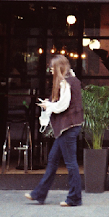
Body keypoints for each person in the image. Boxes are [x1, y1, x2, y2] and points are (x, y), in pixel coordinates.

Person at [25, 54, 83, 206]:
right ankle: (39, 194)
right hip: (71, 126)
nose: (50, 71)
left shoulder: (65, 82)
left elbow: (62, 106)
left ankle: (74, 198)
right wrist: (50, 103)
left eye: (52, 68)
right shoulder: (73, 79)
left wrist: (48, 106)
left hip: (67, 127)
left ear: (59, 68)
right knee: (53, 160)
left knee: (70, 163)